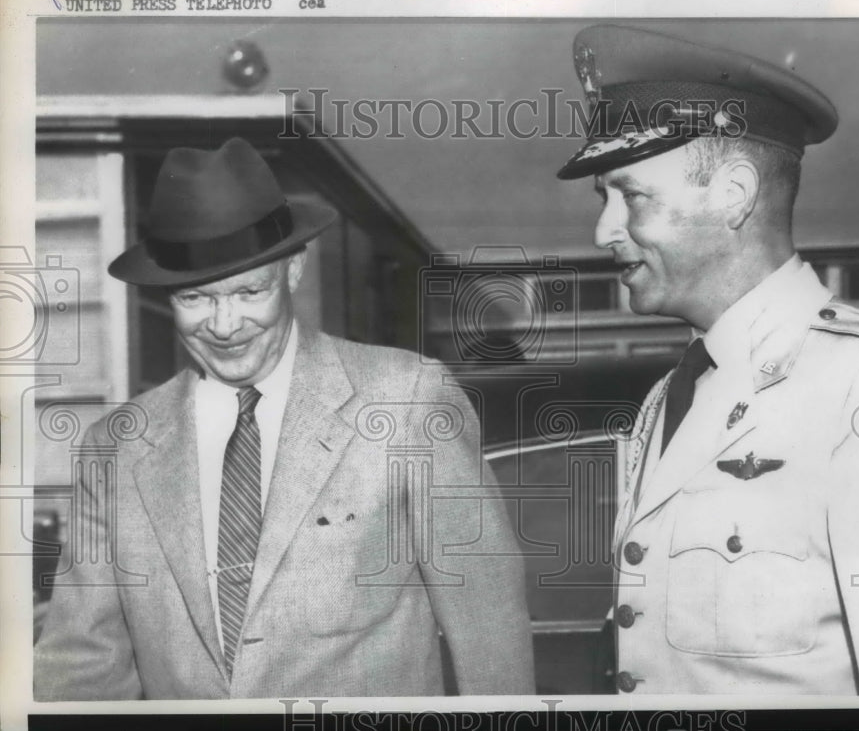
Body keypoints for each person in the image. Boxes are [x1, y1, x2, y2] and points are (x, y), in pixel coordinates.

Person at [34, 137, 534, 699]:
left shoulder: (407, 400)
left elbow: (488, 623)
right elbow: (82, 660)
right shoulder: (117, 449)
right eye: (195, 298)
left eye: (249, 291)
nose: (224, 325)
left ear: (293, 271)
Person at [556, 25, 859, 696]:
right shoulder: (669, 398)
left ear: (733, 193)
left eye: (632, 196)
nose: (603, 232)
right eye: (603, 200)